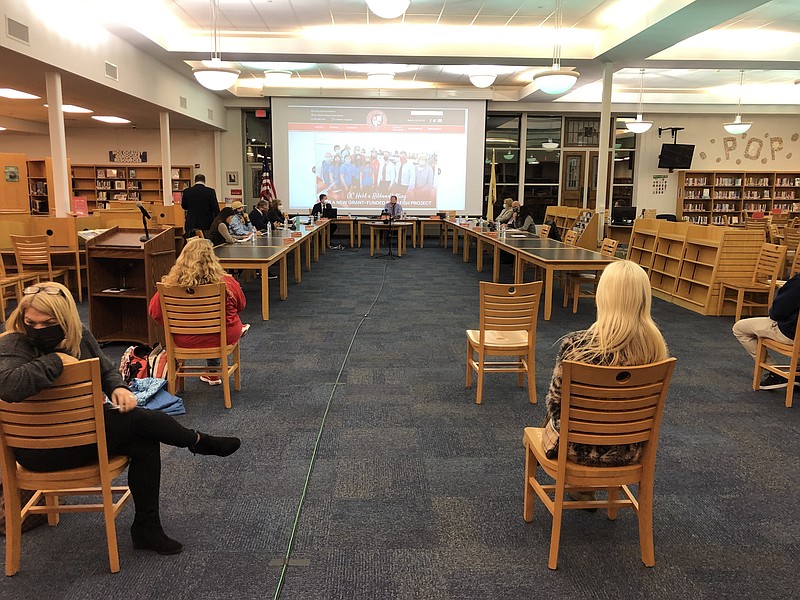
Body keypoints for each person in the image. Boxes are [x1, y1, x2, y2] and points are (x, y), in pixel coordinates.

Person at [0, 282, 241, 555]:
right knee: (143, 423)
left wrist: (118, 388)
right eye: (30, 322)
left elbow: (107, 371)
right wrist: (56, 360)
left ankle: (147, 528)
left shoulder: (80, 336)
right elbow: (7, 385)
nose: (37, 330)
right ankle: (197, 441)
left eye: (47, 323)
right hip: (37, 452)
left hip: (85, 437)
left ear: (65, 318)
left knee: (143, 439)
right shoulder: (12, 343)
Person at [543, 260, 668, 468]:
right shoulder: (657, 349)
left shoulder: (577, 345)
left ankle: (578, 485)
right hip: (630, 448)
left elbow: (555, 407)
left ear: (604, 296)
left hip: (578, 448)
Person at [149, 238, 249, 386]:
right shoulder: (226, 282)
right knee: (225, 324)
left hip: (184, 339)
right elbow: (241, 305)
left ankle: (210, 374)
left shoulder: (169, 286)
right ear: (212, 258)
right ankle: (214, 373)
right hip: (222, 337)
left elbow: (154, 312)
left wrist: (177, 326)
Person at [732, 273, 800, 389]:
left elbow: (778, 312)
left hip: (791, 334)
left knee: (739, 329)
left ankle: (774, 371)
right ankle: (797, 373)